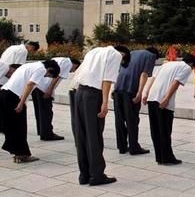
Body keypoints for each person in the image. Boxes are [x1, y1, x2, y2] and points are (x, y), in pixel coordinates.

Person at [71, 45, 130, 186]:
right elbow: (107, 80)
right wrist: (105, 102)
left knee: (82, 135)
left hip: (79, 93)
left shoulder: (93, 51)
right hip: (93, 96)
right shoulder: (115, 55)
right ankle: (97, 175)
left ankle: (84, 174)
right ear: (123, 54)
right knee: (94, 135)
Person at [0, 60, 60, 163]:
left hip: (5, 93)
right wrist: (21, 103)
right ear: (50, 69)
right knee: (20, 127)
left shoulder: (29, 65)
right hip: (14, 97)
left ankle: (17, 152)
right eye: (48, 75)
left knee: (12, 126)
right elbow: (30, 84)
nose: (45, 77)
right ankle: (22, 154)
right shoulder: (41, 69)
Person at [144, 53, 195, 165]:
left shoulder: (166, 64)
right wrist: (167, 98)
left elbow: (153, 78)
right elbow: (176, 83)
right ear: (191, 64)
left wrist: (146, 93)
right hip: (163, 101)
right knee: (165, 130)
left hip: (152, 97)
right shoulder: (186, 67)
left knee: (155, 130)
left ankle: (160, 157)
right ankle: (167, 158)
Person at [113, 47, 159, 155]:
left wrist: (114, 88)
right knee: (132, 119)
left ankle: (122, 147)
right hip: (130, 90)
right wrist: (140, 92)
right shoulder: (150, 56)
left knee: (119, 119)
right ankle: (134, 147)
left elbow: (119, 69)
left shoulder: (132, 53)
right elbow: (144, 74)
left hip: (118, 88)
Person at [32, 57, 80, 141]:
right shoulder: (67, 63)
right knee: (46, 111)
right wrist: (49, 90)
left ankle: (42, 131)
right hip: (44, 88)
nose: (71, 71)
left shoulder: (58, 59)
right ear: (75, 64)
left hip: (37, 85)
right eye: (74, 69)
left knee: (39, 110)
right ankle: (47, 134)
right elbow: (56, 77)